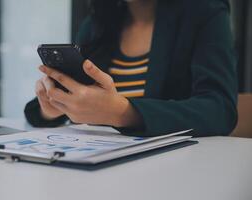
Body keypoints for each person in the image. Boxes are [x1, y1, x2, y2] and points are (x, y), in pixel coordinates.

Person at [24, 0, 238, 137]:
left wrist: (123, 113)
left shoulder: (205, 12)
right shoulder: (98, 24)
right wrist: (52, 107)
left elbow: (220, 109)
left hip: (177, 168)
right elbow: (46, 108)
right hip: (98, 164)